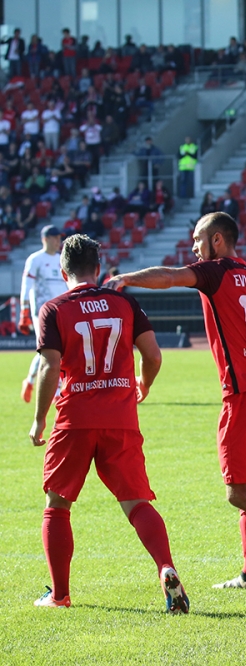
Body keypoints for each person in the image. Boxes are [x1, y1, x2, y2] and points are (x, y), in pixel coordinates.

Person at [106, 213, 246, 597]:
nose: (193, 248)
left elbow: (170, 276)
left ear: (216, 240)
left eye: (198, 239)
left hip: (244, 394)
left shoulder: (216, 272)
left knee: (238, 493)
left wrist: (126, 278)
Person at [28, 234, 188, 613]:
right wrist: (143, 383)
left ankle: (60, 596)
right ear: (98, 269)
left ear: (62, 271)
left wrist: (39, 420)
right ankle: (166, 567)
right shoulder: (125, 302)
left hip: (75, 419)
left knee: (58, 504)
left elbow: (50, 367)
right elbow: (153, 355)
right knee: (136, 502)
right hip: (120, 418)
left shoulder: (54, 309)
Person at [19, 226, 69, 403]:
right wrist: (24, 310)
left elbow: (67, 286)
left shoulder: (61, 259)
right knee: (50, 350)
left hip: (60, 310)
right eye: (55, 238)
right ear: (45, 239)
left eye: (59, 238)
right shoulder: (35, 259)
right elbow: (26, 285)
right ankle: (56, 392)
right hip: (41, 311)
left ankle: (30, 380)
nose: (58, 241)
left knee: (53, 350)